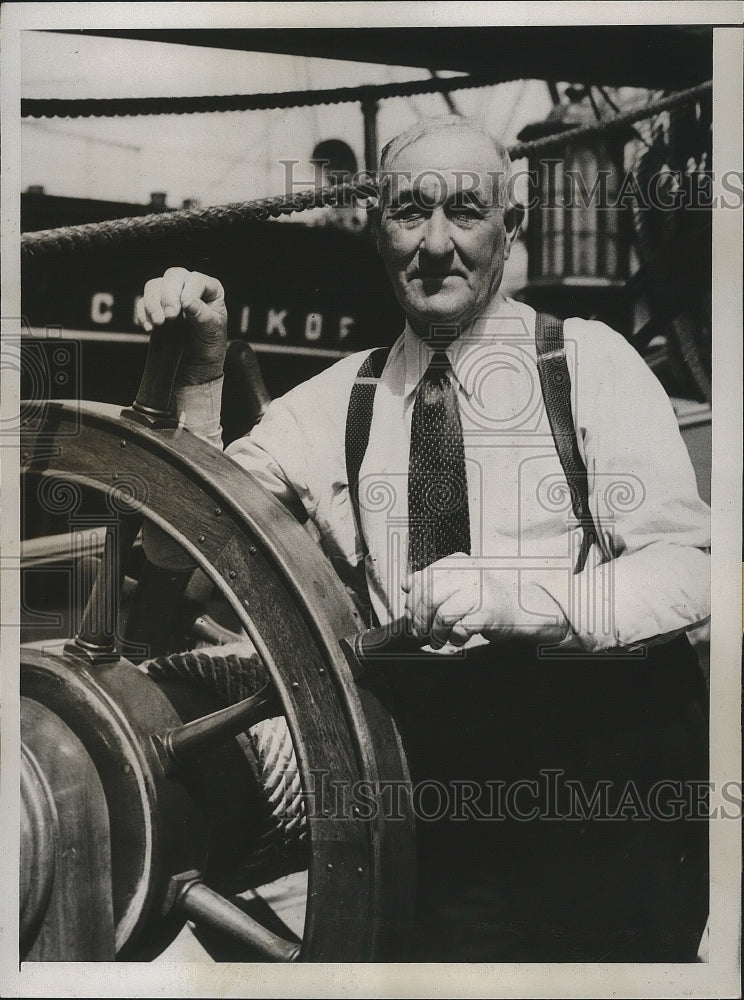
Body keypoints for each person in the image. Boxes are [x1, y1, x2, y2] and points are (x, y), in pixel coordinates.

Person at [136, 116, 710, 962]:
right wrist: (198, 371)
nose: (436, 244)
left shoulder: (589, 363)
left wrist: (524, 599)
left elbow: (691, 571)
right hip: (436, 797)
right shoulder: (331, 404)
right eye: (410, 212)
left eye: (466, 212)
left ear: (510, 231)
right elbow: (173, 551)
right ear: (380, 231)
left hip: (607, 792)